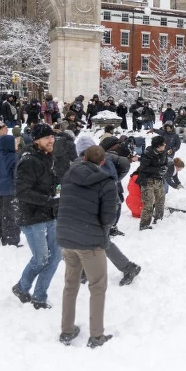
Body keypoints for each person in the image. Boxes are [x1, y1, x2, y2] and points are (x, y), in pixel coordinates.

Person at [56, 145, 118, 348]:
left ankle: (66, 330)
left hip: (67, 237)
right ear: (102, 162)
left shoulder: (68, 175)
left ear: (84, 158)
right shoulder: (106, 182)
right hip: (90, 241)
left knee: (70, 284)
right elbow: (108, 217)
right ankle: (96, 335)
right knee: (98, 286)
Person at [12, 124, 61, 310]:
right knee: (41, 259)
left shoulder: (47, 157)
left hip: (50, 215)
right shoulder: (29, 160)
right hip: (32, 218)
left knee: (55, 258)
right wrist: (49, 200)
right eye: (46, 137)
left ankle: (40, 297)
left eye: (52, 137)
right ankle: (22, 287)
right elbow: (22, 192)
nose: (51, 140)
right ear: (36, 140)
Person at [0, 135, 20, 247]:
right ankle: (11, 241)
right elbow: (16, 176)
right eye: (14, 142)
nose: (17, 144)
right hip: (11, 191)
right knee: (11, 216)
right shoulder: (14, 158)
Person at [136, 135, 167, 230]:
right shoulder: (147, 153)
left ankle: (158, 219)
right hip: (147, 181)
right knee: (148, 203)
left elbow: (165, 163)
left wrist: (164, 169)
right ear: (158, 145)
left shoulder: (164, 152)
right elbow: (143, 168)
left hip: (159, 180)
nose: (165, 145)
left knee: (160, 200)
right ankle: (144, 225)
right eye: (163, 144)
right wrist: (158, 170)